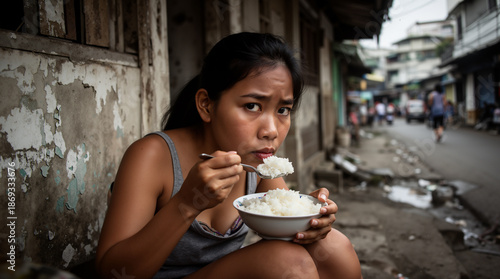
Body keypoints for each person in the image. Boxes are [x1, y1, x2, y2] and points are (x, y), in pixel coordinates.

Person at [96, 32, 361, 279]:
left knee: (334, 245)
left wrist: (309, 219)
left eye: (283, 110)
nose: (271, 131)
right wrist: (187, 203)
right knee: (287, 262)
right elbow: (111, 273)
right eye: (252, 106)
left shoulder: (258, 166)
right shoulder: (153, 155)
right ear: (206, 105)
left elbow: (286, 222)